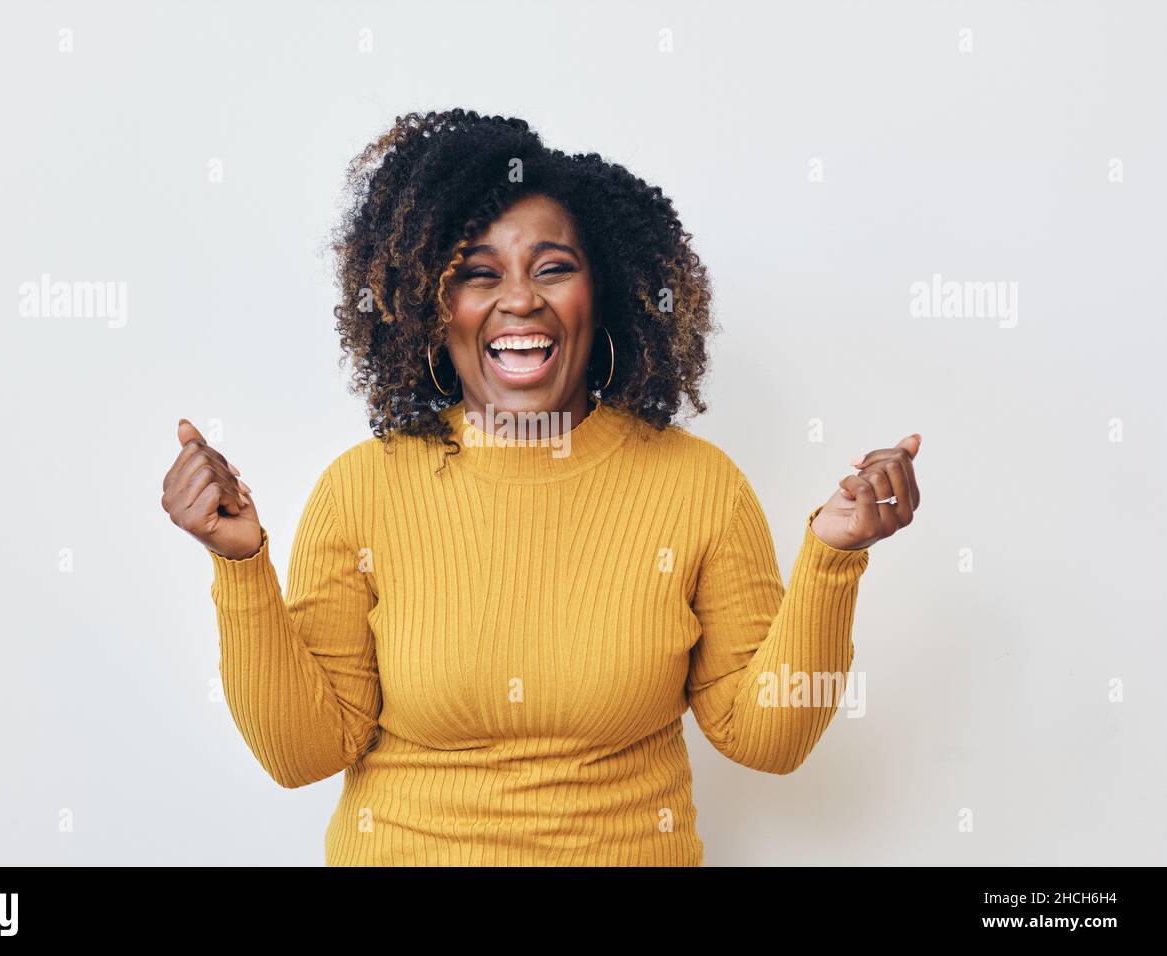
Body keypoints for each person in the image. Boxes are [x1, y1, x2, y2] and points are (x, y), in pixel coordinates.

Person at [160, 109, 922, 866]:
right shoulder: (364, 489)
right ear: (433, 307)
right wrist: (240, 564)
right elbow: (304, 754)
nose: (519, 299)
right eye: (477, 273)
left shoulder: (699, 486)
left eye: (552, 267)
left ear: (607, 292)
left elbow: (767, 738)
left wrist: (832, 558)